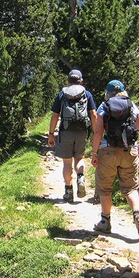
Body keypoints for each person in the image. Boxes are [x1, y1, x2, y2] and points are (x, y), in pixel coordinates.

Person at [90, 80, 139, 239]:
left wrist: (94, 153)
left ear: (107, 93)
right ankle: (137, 213)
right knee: (130, 187)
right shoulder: (131, 105)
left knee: (105, 187)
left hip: (107, 151)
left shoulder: (104, 106)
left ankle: (105, 221)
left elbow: (98, 132)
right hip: (129, 150)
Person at [48, 69, 97, 202]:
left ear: (68, 80)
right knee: (79, 158)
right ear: (81, 81)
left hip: (66, 131)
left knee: (67, 162)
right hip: (81, 130)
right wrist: (96, 133)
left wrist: (51, 134)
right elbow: (93, 114)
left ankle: (68, 191)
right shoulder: (87, 94)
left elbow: (55, 116)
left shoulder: (62, 94)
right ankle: (80, 177)